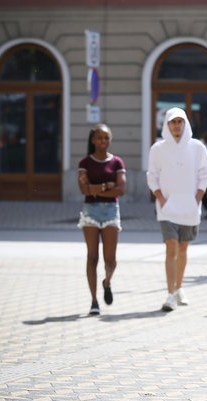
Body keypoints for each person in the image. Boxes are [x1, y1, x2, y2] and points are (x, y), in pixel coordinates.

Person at [146, 107, 207, 312]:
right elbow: (152, 175)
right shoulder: (157, 148)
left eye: (180, 122)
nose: (177, 126)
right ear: (166, 125)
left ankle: (180, 286)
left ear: (185, 124)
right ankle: (170, 294)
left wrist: (197, 198)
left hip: (190, 209)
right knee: (171, 247)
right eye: (173, 122)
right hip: (166, 208)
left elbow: (205, 173)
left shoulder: (197, 147)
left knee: (183, 249)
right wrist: (161, 199)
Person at [77, 124, 126, 316]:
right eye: (99, 138)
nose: (103, 141)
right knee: (92, 257)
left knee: (111, 260)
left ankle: (107, 282)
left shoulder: (117, 162)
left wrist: (96, 188)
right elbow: (84, 190)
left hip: (111, 211)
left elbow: (121, 190)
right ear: (92, 140)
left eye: (106, 138)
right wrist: (108, 185)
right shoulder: (85, 162)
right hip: (90, 211)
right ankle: (94, 301)